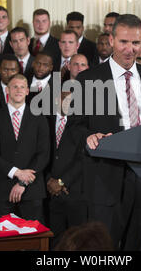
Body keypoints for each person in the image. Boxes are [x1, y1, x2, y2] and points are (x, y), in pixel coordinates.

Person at [73, 14, 141, 250]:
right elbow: (75, 127)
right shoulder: (89, 79)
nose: (130, 49)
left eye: (135, 43)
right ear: (112, 40)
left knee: (140, 244)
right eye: (124, 42)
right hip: (106, 177)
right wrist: (88, 137)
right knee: (103, 246)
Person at [0, 74, 50, 223]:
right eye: (15, 87)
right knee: (4, 239)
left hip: (32, 190)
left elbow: (44, 154)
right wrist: (16, 173)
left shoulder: (39, 118)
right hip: (3, 188)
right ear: (7, 90)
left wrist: (23, 182)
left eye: (22, 87)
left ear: (27, 91)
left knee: (33, 240)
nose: (18, 90)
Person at [46, 91, 87, 247]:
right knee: (56, 240)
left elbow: (82, 159)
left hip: (74, 193)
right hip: (51, 192)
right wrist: (49, 180)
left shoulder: (82, 126)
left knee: (77, 241)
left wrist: (62, 182)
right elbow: (42, 153)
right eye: (62, 98)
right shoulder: (46, 121)